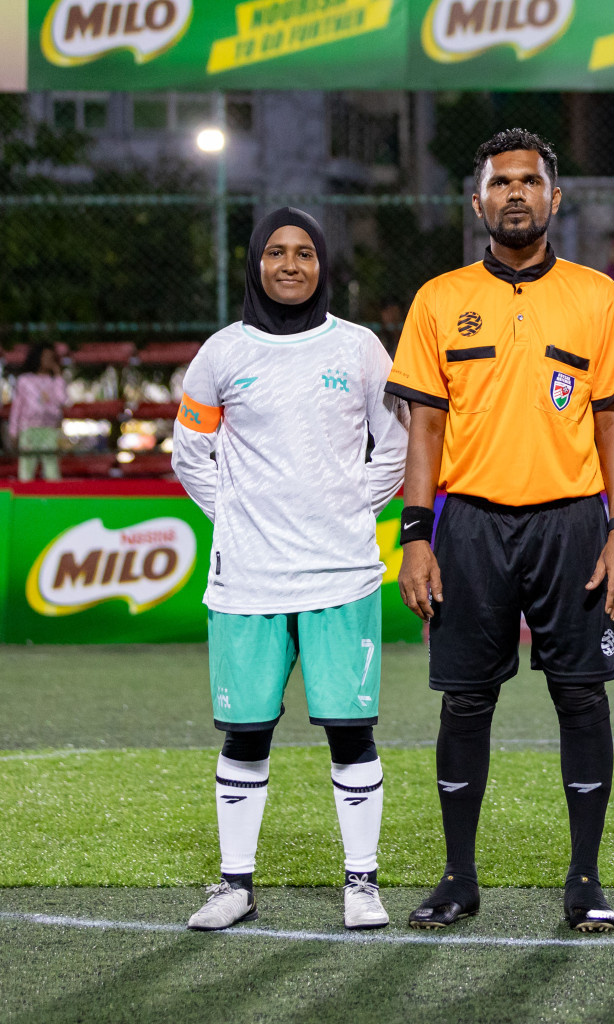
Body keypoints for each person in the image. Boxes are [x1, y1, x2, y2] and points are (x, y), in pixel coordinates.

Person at [387, 128, 614, 933]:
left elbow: (613, 426)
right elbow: (424, 431)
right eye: (502, 183)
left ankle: (585, 879)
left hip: (571, 524)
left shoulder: (597, 296)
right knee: (465, 703)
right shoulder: (438, 299)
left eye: (531, 181)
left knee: (581, 698)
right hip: (469, 528)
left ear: (555, 198)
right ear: (478, 201)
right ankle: (458, 878)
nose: (517, 194)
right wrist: (415, 535)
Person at [173, 207, 409, 932]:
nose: (290, 265)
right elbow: (189, 454)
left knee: (350, 731)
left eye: (304, 253)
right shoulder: (221, 353)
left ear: (322, 265)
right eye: (275, 252)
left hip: (342, 574)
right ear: (255, 263)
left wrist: (345, 509)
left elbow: (395, 447)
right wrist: (239, 515)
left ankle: (361, 884)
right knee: (245, 734)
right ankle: (235, 885)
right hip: (247, 579)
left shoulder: (362, 349)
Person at [9, 343, 67, 482]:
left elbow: (62, 400)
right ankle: (24, 498)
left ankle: (54, 498)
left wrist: (58, 376)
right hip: (28, 429)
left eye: (51, 357)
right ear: (37, 358)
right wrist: (13, 431)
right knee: (26, 467)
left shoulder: (54, 381)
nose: (48, 360)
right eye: (45, 357)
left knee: (52, 467)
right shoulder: (25, 380)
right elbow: (17, 406)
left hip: (49, 429)